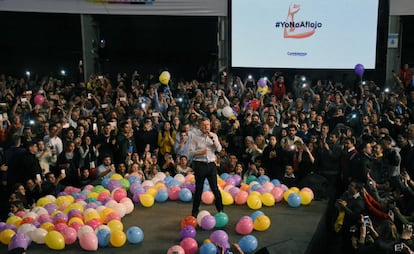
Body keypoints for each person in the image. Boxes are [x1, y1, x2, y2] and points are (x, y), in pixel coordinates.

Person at [190, 117, 223, 217]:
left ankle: (220, 210)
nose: (206, 127)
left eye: (208, 125)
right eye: (204, 125)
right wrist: (201, 152)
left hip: (211, 165)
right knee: (199, 189)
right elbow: (190, 152)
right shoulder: (195, 137)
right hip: (200, 165)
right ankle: (195, 211)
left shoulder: (214, 136)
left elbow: (219, 149)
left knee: (215, 188)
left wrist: (213, 138)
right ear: (200, 126)